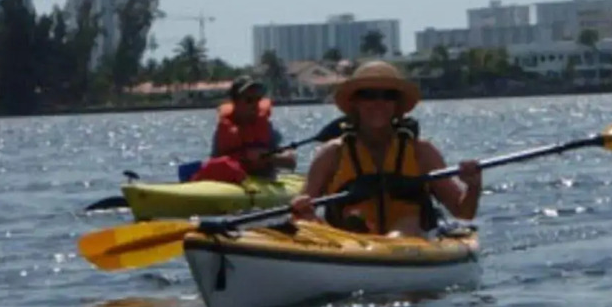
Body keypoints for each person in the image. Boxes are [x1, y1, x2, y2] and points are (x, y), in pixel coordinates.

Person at [290, 60, 482, 236]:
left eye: (387, 96)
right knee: (348, 219)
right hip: (348, 242)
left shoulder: (421, 152)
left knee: (407, 224)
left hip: (410, 243)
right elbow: (300, 210)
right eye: (368, 95)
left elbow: (464, 212)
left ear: (397, 104)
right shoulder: (332, 154)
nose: (378, 103)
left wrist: (473, 186)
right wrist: (302, 208)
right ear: (355, 103)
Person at [190, 77, 297, 184]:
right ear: (235, 102)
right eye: (249, 100)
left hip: (264, 181)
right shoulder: (223, 131)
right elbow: (214, 162)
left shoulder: (268, 129)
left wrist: (268, 157)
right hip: (233, 183)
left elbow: (291, 161)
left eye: (257, 99)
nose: (255, 104)